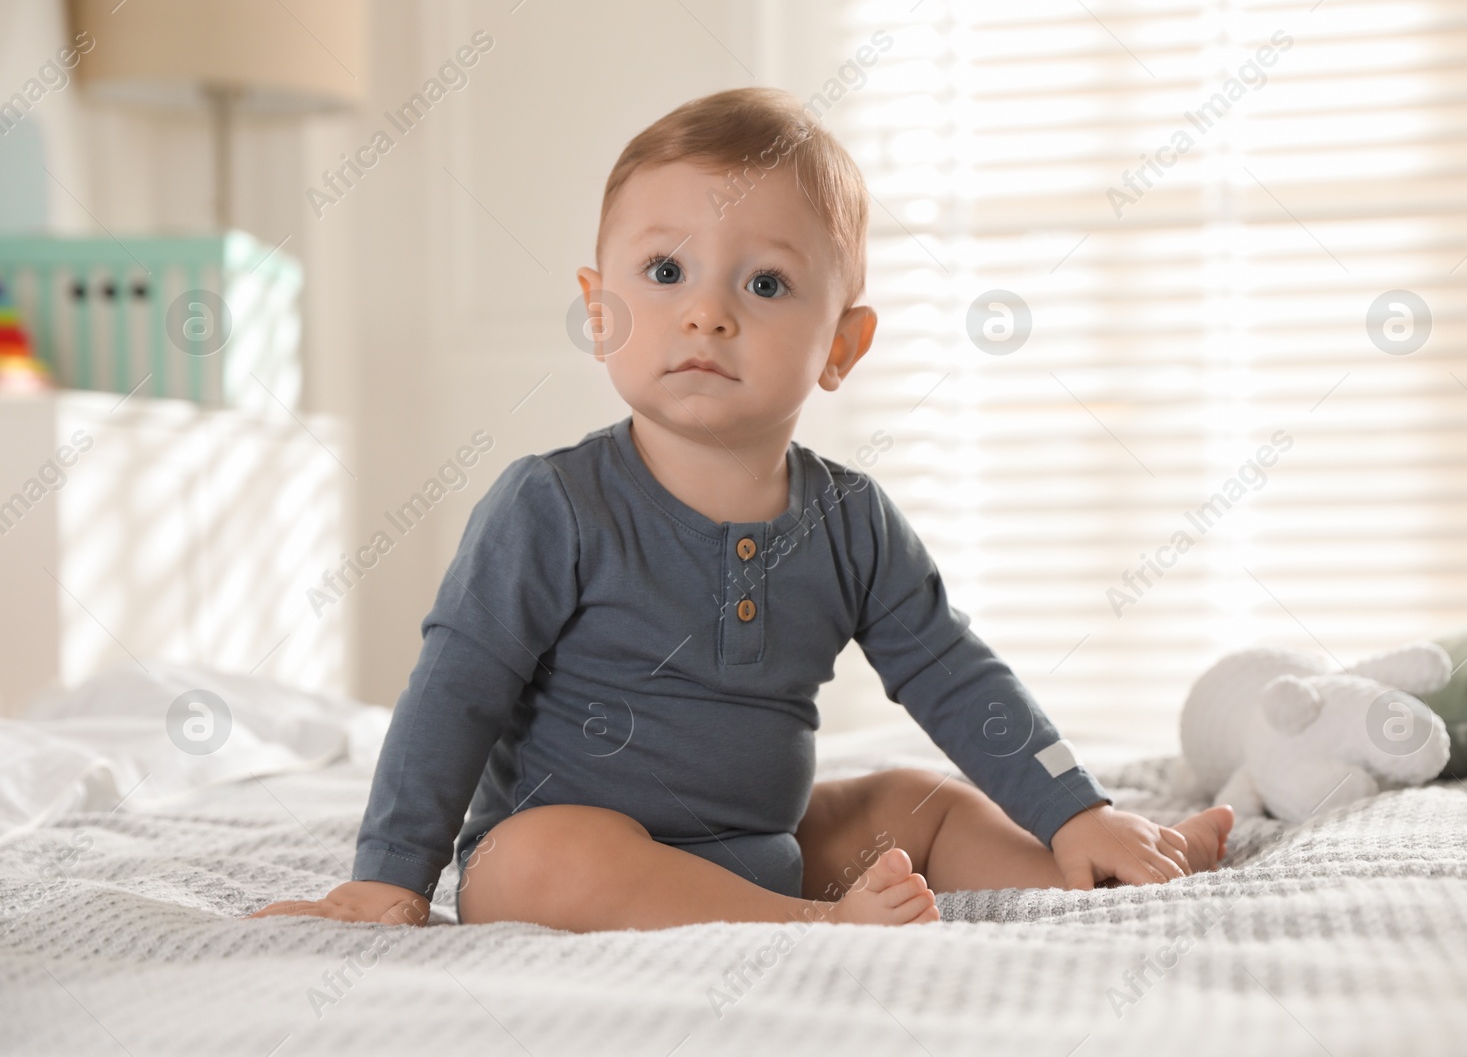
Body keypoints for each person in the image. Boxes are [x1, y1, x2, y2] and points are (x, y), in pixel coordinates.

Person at [249, 88, 1232, 934]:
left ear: (842, 345)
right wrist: (389, 875)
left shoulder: (851, 520)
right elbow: (450, 694)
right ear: (600, 310)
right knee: (536, 855)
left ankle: (1104, 863)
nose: (706, 311)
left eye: (764, 282)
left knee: (916, 801)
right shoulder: (552, 505)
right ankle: (813, 926)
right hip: (581, 857)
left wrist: (1069, 808)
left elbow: (953, 672)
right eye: (665, 271)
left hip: (767, 841)